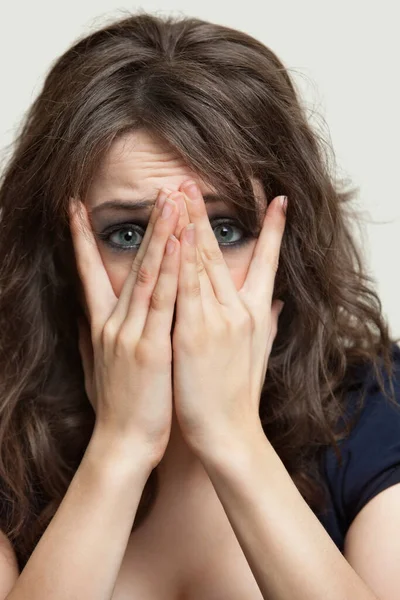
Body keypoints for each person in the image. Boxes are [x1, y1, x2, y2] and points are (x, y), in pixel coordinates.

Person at [0, 10, 399, 600]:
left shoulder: (377, 408)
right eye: (129, 234)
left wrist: (232, 436)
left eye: (226, 228)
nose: (181, 269)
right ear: (61, 252)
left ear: (285, 244)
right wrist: (121, 446)